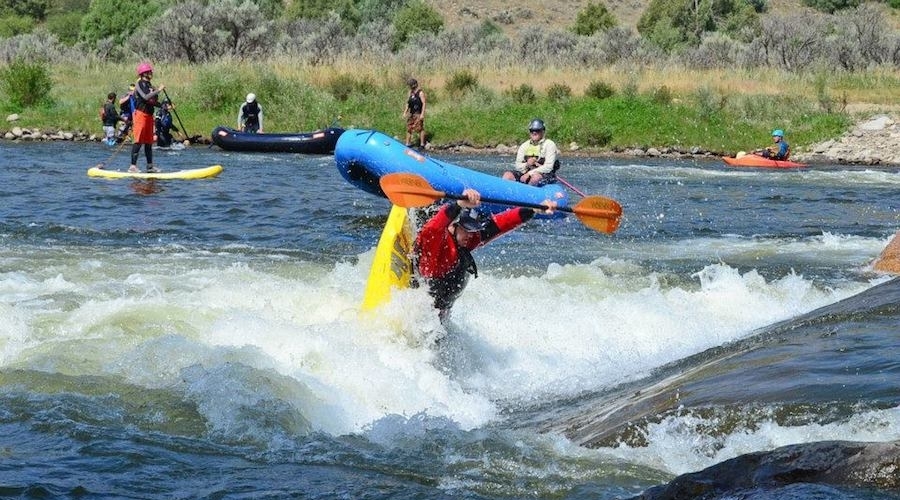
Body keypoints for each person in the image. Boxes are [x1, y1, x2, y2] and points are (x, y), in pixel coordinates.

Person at [414, 189, 555, 322]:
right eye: (466, 230)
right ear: (452, 225)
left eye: (472, 230)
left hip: (440, 318)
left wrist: (532, 210)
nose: (470, 235)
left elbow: (499, 224)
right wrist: (458, 205)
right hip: (420, 316)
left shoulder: (465, 242)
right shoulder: (435, 245)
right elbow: (431, 230)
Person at [129, 62, 165, 173]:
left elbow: (152, 101)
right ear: (144, 73)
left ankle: (150, 166)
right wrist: (158, 90)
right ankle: (133, 166)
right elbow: (145, 97)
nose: (151, 73)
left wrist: (164, 106)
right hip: (140, 115)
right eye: (149, 72)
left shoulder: (149, 85)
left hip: (149, 116)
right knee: (138, 141)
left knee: (148, 142)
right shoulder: (139, 84)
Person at [503, 118, 560, 186]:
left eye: (537, 130)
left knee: (535, 177)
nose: (534, 132)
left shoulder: (550, 144)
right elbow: (518, 166)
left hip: (544, 174)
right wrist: (527, 164)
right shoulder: (524, 146)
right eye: (532, 130)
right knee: (507, 175)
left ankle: (527, 192)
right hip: (526, 172)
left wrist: (529, 174)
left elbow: (548, 167)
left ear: (543, 131)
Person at [403, 78, 426, 148]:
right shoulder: (410, 93)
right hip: (411, 113)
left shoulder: (420, 93)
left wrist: (422, 114)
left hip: (418, 113)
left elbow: (424, 103)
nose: (410, 86)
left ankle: (422, 144)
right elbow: (408, 103)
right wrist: (405, 112)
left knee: (419, 128)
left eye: (411, 85)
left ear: (415, 84)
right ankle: (407, 144)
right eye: (410, 85)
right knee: (409, 128)